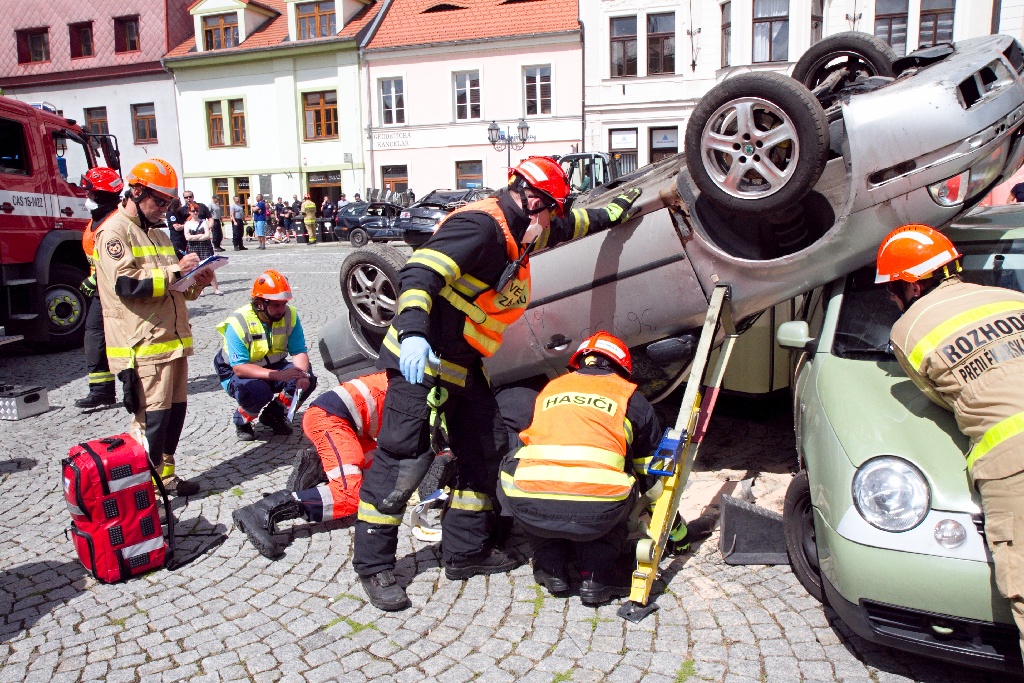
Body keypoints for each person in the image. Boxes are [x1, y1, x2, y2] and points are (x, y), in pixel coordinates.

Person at [353, 156, 642, 611]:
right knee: (402, 460)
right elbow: (418, 273)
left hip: (462, 363)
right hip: (422, 357)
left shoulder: (526, 227)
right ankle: (374, 567)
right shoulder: (481, 227)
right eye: (550, 209)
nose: (553, 220)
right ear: (530, 199)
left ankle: (465, 553)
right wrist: (410, 333)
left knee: (485, 450)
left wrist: (617, 210)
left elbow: (573, 223)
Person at [878, 224, 1024, 658]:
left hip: (1013, 463)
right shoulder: (1014, 299)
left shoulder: (908, 329)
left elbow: (942, 398)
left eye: (893, 290)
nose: (891, 299)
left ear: (914, 284)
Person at [497, 333, 660, 603]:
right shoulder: (631, 398)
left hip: (532, 504)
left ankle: (553, 570)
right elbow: (649, 470)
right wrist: (662, 519)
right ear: (621, 368)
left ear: (580, 362)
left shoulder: (551, 389)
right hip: (598, 508)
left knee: (519, 464)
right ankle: (597, 576)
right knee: (618, 481)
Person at [93, 158, 212, 497]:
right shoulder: (114, 231)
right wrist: (177, 272)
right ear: (135, 192)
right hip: (142, 346)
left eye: (168, 203)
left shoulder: (158, 233)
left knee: (173, 417)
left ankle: (166, 480)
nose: (164, 209)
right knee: (152, 424)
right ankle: (141, 494)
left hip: (171, 342)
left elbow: (174, 288)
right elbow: (128, 287)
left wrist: (196, 279)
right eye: (159, 201)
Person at [232, 371, 388, 558]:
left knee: (381, 477)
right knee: (350, 494)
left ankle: (318, 467)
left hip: (350, 424)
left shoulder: (420, 379)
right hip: (331, 420)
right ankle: (262, 511)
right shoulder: (420, 392)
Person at [214, 269, 317, 441]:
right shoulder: (238, 321)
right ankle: (242, 420)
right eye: (276, 305)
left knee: (307, 379)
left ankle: (274, 415)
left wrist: (302, 376)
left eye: (283, 304)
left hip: (273, 365)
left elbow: (298, 350)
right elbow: (240, 368)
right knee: (257, 392)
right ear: (260, 303)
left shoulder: (290, 315)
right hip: (235, 372)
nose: (281, 310)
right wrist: (279, 375)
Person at [74, 167, 124, 409]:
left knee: (120, 340)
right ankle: (101, 390)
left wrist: (92, 281)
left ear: (100, 194)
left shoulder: (117, 221)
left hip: (115, 292)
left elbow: (116, 261)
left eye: (89, 192)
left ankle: (131, 387)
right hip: (100, 292)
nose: (86, 197)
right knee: (94, 338)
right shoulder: (99, 219)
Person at [183, 204, 222, 295]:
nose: (195, 212)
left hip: (205, 247)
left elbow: (207, 236)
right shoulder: (187, 224)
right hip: (193, 248)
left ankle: (216, 289)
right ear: (190, 212)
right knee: (196, 269)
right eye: (193, 211)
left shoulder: (204, 222)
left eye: (196, 211)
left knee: (209, 268)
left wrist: (195, 237)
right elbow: (187, 237)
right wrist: (200, 236)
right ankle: (201, 290)